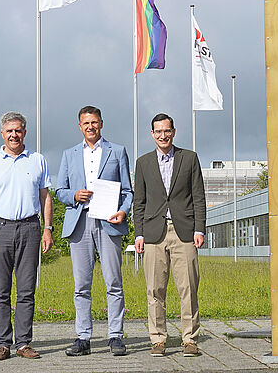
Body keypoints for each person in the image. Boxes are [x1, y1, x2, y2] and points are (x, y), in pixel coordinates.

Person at [56, 106, 133, 357]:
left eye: (95, 122)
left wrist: (123, 211)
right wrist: (74, 195)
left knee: (114, 282)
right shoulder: (69, 154)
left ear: (101, 124)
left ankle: (115, 336)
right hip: (80, 222)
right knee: (82, 285)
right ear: (80, 126)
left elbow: (128, 192)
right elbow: (60, 191)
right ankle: (83, 337)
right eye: (86, 123)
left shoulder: (117, 151)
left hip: (109, 221)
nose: (91, 127)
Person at [0, 111, 54, 361]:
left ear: (24, 132)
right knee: (1, 291)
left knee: (26, 290)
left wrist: (47, 229)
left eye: (18, 130)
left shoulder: (38, 160)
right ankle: (3, 343)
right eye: (9, 130)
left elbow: (45, 197)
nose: (14, 134)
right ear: (2, 133)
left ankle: (23, 343)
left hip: (30, 228)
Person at [134, 113, 206, 358]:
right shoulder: (143, 163)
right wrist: (139, 233)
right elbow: (139, 202)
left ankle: (190, 339)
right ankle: (158, 339)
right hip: (154, 234)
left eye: (167, 131)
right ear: (152, 134)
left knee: (188, 288)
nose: (163, 136)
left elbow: (198, 196)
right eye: (158, 132)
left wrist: (199, 228)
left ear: (173, 132)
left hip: (184, 232)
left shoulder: (189, 158)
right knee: (155, 290)